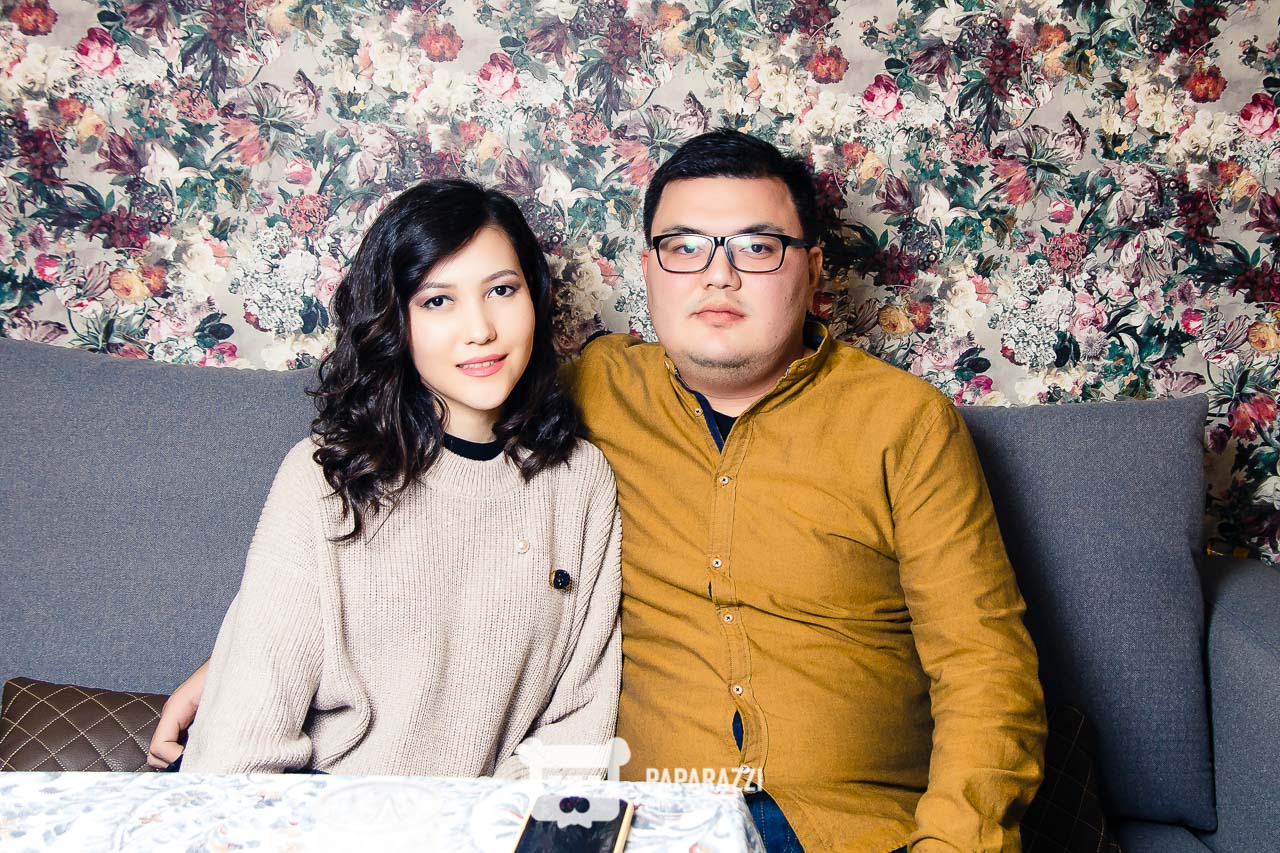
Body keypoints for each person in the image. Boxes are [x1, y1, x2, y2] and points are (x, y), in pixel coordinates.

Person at [153, 132, 1045, 852]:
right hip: (649, 821)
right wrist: (244, 662)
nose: (719, 275)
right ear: (648, 270)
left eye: (758, 247)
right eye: (685, 248)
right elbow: (415, 485)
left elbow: (987, 671)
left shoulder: (905, 424)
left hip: (850, 826)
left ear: (813, 272)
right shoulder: (586, 395)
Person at [176, 179, 622, 776]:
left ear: (534, 299)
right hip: (321, 815)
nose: (481, 329)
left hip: (496, 821)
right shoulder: (323, 478)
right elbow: (241, 746)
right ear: (395, 319)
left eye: (501, 290)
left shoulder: (580, 481)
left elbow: (578, 728)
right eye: (437, 301)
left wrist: (489, 822)